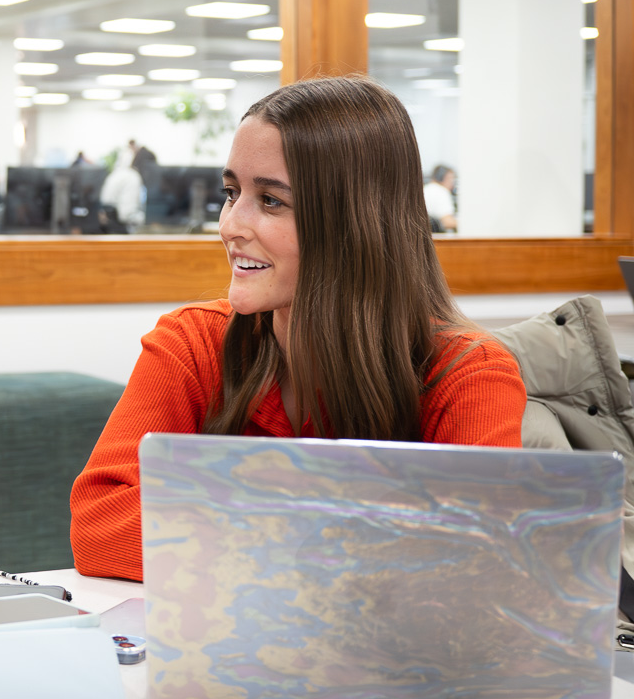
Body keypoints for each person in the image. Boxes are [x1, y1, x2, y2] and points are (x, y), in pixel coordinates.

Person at [68, 77, 528, 580]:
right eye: (232, 193)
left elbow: (474, 568)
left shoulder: (468, 374)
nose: (229, 225)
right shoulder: (192, 343)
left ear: (355, 222)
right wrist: (351, 538)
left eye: (271, 201)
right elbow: (100, 522)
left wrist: (218, 527)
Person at [98, 145, 145, 233]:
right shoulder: (132, 177)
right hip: (123, 228)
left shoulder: (113, 175)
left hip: (110, 226)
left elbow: (105, 200)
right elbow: (126, 213)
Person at [424, 165, 457, 233]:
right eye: (451, 179)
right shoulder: (441, 192)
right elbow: (447, 222)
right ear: (441, 178)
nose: (452, 183)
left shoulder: (425, 189)